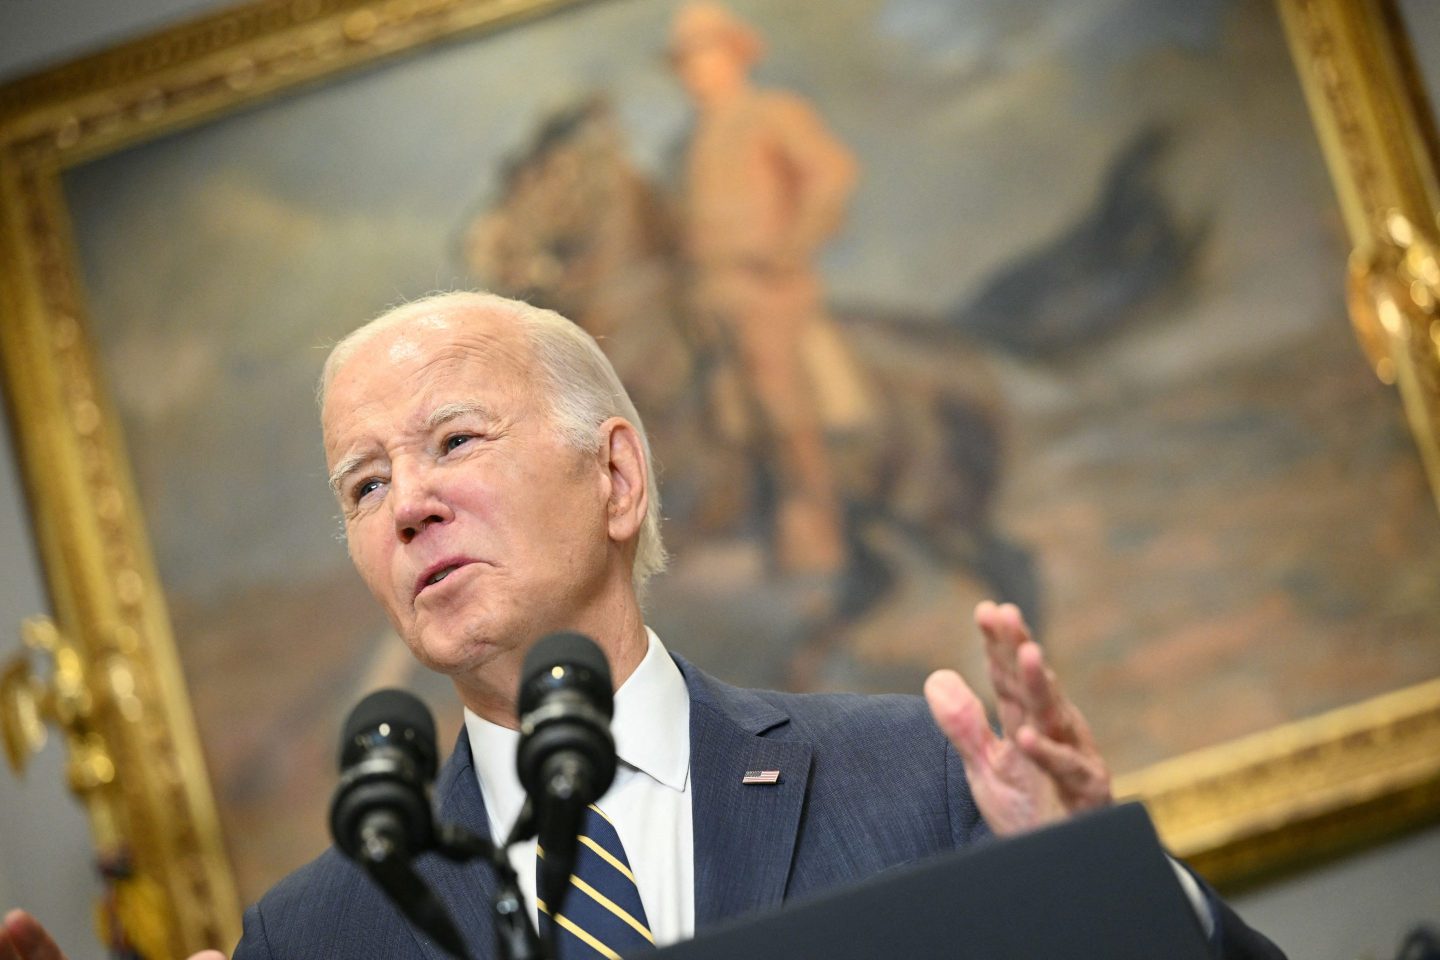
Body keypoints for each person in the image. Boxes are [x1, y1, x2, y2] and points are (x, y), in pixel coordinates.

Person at [2, 291, 1283, 959]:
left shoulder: (915, 781)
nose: (409, 507)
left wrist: (1113, 884)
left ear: (616, 477)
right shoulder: (322, 936)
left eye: (454, 441)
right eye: (364, 485)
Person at [671, 2, 876, 577]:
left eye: (705, 56)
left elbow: (831, 173)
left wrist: (791, 244)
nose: (696, 71)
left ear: (735, 55)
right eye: (687, 62)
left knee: (772, 381)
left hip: (766, 288)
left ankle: (816, 515)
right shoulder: (694, 140)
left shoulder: (771, 112)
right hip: (709, 293)